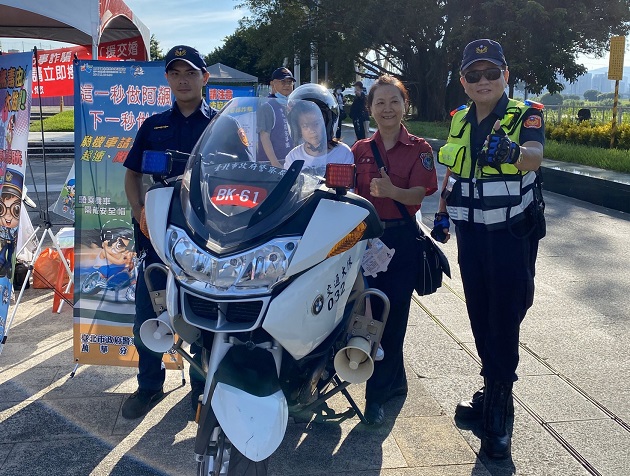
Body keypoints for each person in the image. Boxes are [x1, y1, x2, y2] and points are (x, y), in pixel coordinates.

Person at [433, 39, 545, 459]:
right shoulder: (460, 118)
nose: (483, 81)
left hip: (511, 236)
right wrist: (443, 212)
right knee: (479, 310)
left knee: (505, 312)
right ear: (463, 82)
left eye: (491, 73)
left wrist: (515, 152)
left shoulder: (526, 114)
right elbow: (454, 171)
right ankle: (491, 385)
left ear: (506, 76)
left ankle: (499, 409)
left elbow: (534, 156)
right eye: (474, 75)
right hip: (471, 234)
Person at [122, 45, 217, 419]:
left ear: (204, 78)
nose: (183, 80)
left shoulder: (220, 126)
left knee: (204, 318)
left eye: (190, 73)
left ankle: (200, 392)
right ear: (167, 79)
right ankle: (149, 386)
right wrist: (138, 209)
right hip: (156, 236)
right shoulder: (153, 124)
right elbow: (131, 174)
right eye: (175, 73)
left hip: (204, 239)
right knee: (149, 313)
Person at [352, 75, 437, 425]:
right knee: (364, 314)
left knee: (393, 318)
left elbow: (419, 195)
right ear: (370, 109)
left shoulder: (420, 149)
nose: (387, 108)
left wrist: (391, 192)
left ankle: (376, 397)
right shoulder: (357, 150)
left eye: (394, 101)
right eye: (380, 102)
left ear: (406, 106)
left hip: (400, 242)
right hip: (362, 242)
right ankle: (395, 380)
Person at [284, 83, 353, 175]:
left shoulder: (342, 153)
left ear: (327, 124)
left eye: (316, 123)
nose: (312, 130)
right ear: (298, 129)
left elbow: (348, 188)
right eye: (305, 126)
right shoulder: (293, 157)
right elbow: (288, 188)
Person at [257, 67, 295, 166]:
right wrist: (274, 162)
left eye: (290, 82)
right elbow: (264, 137)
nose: (287, 85)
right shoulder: (267, 107)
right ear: (272, 84)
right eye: (283, 82)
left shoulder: (291, 106)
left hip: (290, 162)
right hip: (271, 165)